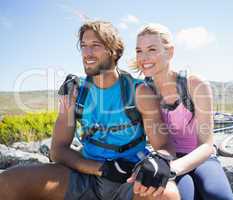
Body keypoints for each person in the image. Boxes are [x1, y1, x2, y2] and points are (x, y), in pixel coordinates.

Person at [0, 20, 180, 200]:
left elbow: (164, 146)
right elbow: (58, 150)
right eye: (84, 46)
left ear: (114, 51)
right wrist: (102, 169)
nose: (87, 53)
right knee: (7, 181)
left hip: (130, 179)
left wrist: (159, 161)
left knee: (168, 195)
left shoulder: (139, 92)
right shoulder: (75, 92)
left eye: (95, 45)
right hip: (84, 176)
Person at [132, 23, 233, 200]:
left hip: (202, 157)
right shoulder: (144, 91)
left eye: (152, 49)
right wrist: (164, 164)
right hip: (168, 156)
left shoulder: (194, 84)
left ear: (169, 52)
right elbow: (160, 144)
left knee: (217, 195)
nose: (144, 57)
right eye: (139, 51)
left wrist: (172, 169)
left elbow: (207, 145)